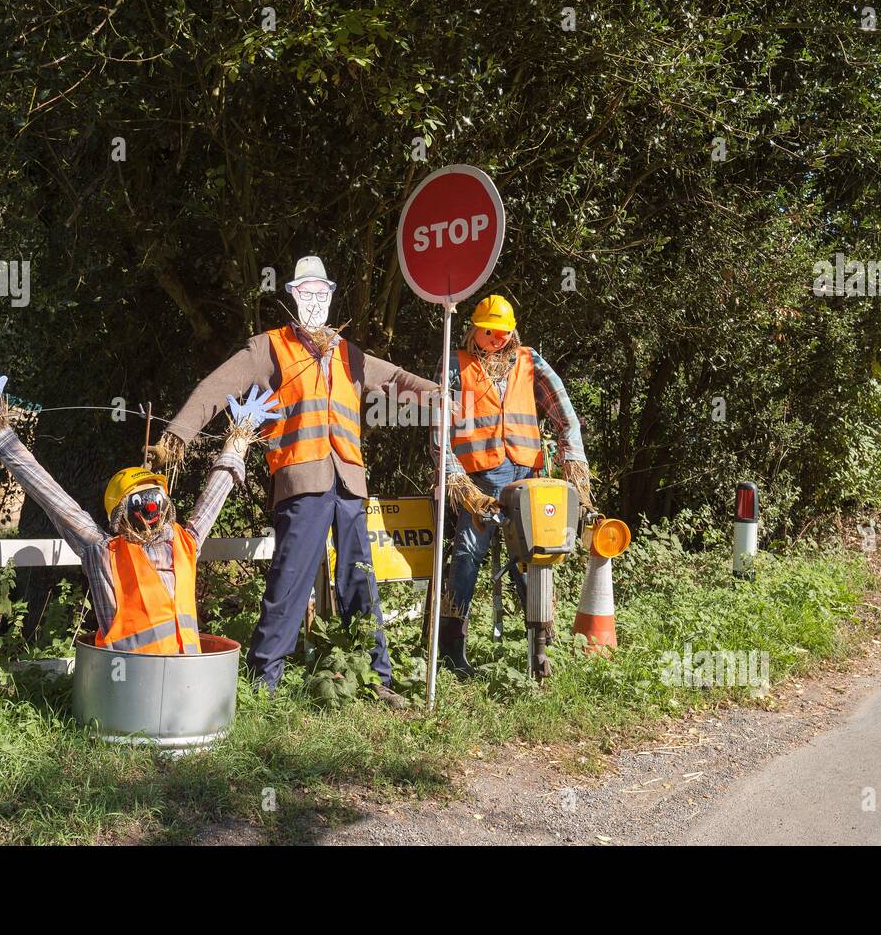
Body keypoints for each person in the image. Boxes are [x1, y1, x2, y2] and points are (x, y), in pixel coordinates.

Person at [147, 256, 442, 705]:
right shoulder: (270, 347)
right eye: (306, 293)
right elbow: (216, 385)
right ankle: (265, 680)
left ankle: (376, 678)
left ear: (330, 298)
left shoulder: (348, 354)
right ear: (293, 297)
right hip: (302, 479)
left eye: (322, 294)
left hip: (349, 482)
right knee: (291, 580)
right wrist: (179, 432)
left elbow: (397, 379)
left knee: (360, 578)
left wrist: (442, 396)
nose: (315, 301)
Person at [0, 356, 277, 654]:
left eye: (155, 497)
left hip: (184, 690)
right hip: (127, 692)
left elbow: (216, 493)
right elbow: (51, 495)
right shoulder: (103, 552)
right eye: (141, 499)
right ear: (122, 512)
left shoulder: (185, 544)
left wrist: (240, 437)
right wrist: (0, 431)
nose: (151, 506)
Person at [433, 293, 592, 679]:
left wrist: (575, 461)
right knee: (467, 559)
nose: (497, 338)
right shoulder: (454, 365)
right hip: (479, 480)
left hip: (527, 479)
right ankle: (451, 652)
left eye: (503, 332)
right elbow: (439, 427)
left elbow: (564, 413)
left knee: (533, 561)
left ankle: (541, 651)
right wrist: (455, 478)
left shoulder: (529, 361)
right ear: (474, 328)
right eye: (489, 331)